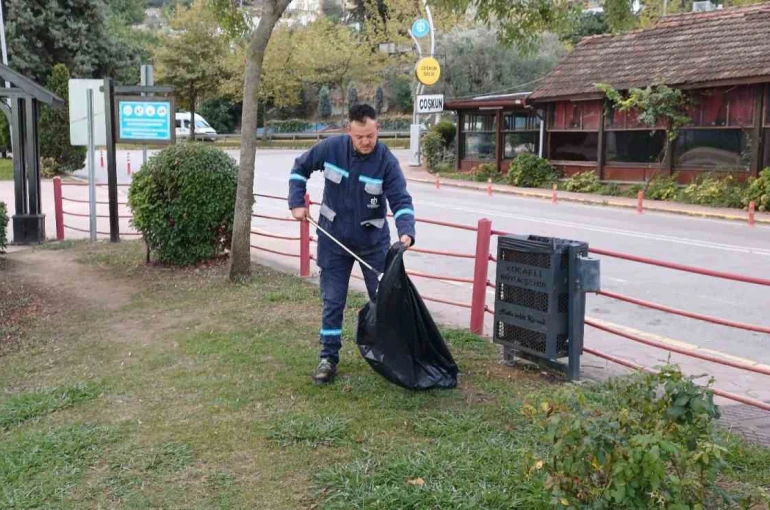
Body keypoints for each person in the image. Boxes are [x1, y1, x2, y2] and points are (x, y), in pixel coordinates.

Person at [288, 104, 416, 384]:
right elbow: (300, 169)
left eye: (370, 135)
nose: (366, 142)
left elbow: (401, 200)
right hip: (333, 241)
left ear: (377, 129)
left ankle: (390, 356)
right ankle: (328, 359)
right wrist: (297, 202)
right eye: (359, 137)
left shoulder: (386, 161)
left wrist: (406, 232)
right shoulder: (331, 149)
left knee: (382, 302)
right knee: (333, 302)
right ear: (349, 131)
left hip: (373, 244)